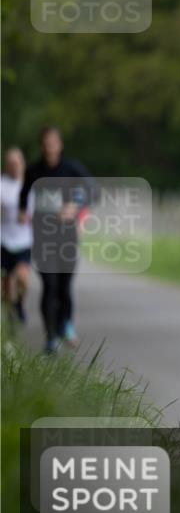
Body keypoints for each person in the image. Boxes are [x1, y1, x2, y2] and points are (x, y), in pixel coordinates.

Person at [18, 126, 93, 354]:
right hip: (43, 238)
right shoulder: (34, 171)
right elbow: (24, 193)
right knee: (49, 286)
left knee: (64, 287)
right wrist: (22, 211)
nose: (49, 147)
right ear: (42, 146)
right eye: (45, 143)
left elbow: (93, 190)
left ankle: (65, 325)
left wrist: (76, 206)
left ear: (59, 145)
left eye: (53, 143)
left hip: (67, 237)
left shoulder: (71, 168)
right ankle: (50, 338)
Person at [1, 148, 33, 325]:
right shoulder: (2, 185)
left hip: (24, 241)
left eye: (17, 163)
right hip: (3, 240)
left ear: (23, 164)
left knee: (22, 278)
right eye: (10, 163)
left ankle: (20, 302)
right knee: (5, 286)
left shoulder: (30, 185)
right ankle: (10, 317)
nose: (14, 166)